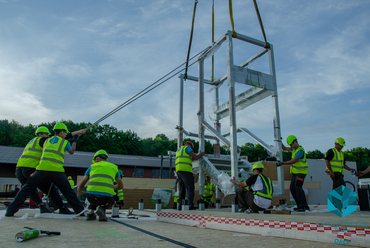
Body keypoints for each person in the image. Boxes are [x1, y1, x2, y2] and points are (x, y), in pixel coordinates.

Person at [6, 123, 86, 217]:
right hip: (56, 170)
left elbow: (57, 139)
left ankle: (10, 211)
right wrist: (76, 139)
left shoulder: (45, 141)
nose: (48, 135)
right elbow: (71, 150)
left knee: (26, 189)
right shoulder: (61, 142)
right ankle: (79, 211)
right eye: (64, 132)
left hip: (39, 169)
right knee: (67, 190)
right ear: (61, 132)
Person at [77, 150, 123, 221]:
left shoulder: (92, 167)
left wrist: (79, 191)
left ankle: (90, 213)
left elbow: (82, 183)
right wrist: (114, 187)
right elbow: (121, 186)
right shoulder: (114, 167)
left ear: (97, 159)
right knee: (111, 198)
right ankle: (102, 209)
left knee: (93, 197)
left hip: (91, 197)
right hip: (106, 198)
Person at [15, 126, 51, 213]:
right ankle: (58, 206)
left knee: (30, 189)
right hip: (29, 169)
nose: (47, 136)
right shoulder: (41, 140)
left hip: (19, 170)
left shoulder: (31, 142)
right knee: (48, 187)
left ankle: (41, 206)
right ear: (39, 134)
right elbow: (54, 142)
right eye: (46, 134)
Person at [277, 135, 309, 212]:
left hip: (301, 172)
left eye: (291, 144)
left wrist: (282, 163)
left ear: (295, 142)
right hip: (295, 172)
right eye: (290, 145)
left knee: (298, 187)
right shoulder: (294, 149)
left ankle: (303, 206)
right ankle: (299, 205)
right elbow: (284, 148)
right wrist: (279, 141)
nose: (290, 146)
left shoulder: (300, 150)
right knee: (292, 188)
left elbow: (293, 161)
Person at [175, 141, 205, 210]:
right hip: (186, 171)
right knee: (190, 188)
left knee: (182, 189)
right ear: (191, 146)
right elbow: (195, 157)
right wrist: (200, 154)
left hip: (179, 171)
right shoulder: (188, 148)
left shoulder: (179, 150)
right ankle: (190, 206)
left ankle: (180, 207)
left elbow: (188, 158)